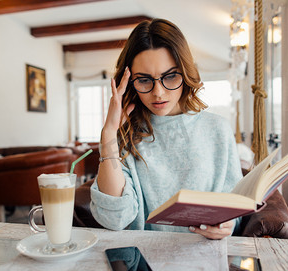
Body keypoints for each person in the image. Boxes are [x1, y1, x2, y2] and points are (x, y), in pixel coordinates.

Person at [90, 18, 243, 240]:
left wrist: (228, 224)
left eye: (170, 76)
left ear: (185, 72)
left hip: (206, 258)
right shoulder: (124, 135)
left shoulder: (218, 129)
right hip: (142, 263)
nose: (158, 93)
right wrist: (108, 135)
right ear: (128, 81)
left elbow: (235, 208)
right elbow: (115, 219)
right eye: (144, 80)